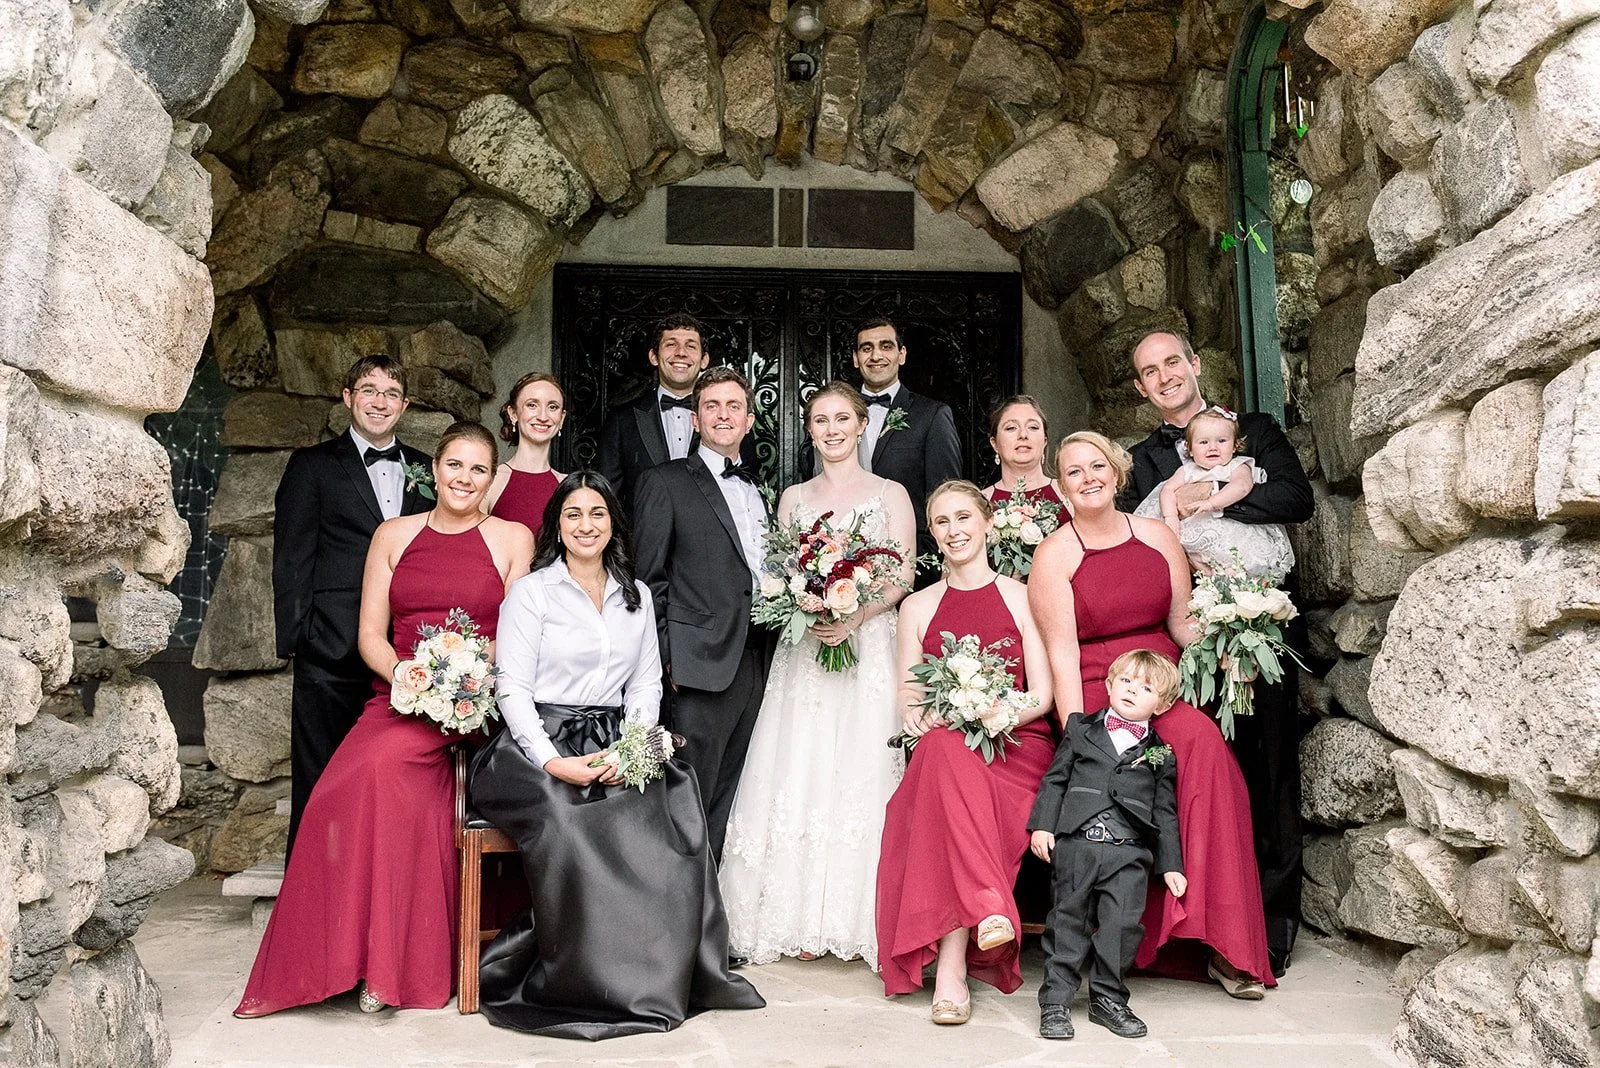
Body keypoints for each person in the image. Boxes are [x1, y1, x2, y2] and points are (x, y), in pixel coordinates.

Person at [237, 422, 533, 1016]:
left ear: (491, 477)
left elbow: (517, 632)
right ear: (435, 469)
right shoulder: (393, 534)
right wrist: (407, 677)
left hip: (476, 701)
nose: (464, 479)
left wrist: (464, 677)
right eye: (454, 465)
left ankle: (395, 969)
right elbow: (369, 633)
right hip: (400, 698)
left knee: (388, 773)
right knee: (339, 791)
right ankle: (347, 960)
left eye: (478, 469)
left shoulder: (512, 537)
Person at [468, 472, 765, 1038]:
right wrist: (553, 761)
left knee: (673, 804)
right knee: (572, 819)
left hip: (614, 736)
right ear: (558, 523)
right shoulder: (533, 593)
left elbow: (646, 685)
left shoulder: (638, 595)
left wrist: (631, 750)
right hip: (533, 745)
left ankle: (664, 972)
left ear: (613, 524)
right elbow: (511, 689)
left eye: (597, 514)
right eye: (574, 514)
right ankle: (581, 982)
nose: (586, 525)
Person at [1029, 431, 1274, 1000]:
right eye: (1073, 471)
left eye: (1097, 465)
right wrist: (1079, 737)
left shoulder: (1160, 537)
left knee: (1205, 748)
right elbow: (1061, 653)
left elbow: (1182, 627)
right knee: (1121, 769)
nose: (1088, 477)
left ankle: (1222, 943)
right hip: (1095, 691)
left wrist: (1235, 636)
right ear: (1061, 487)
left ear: (1117, 472)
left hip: (1160, 686)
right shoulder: (1055, 554)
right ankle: (1123, 941)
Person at [1119, 330, 1313, 975]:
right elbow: (1138, 537)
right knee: (1206, 778)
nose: (1165, 376)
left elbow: (1295, 499)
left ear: (1196, 365)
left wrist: (1213, 495)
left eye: (1173, 361)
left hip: (1261, 622)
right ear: (1143, 388)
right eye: (1150, 371)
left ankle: (1271, 931)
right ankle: (1208, 925)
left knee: (1271, 769)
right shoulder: (1143, 461)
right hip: (1191, 630)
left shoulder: (1254, 431)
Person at [720, 381, 915, 969]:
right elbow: (780, 571)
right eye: (819, 421)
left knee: (858, 770)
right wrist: (812, 606)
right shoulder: (793, 498)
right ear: (809, 431)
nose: (831, 430)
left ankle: (859, 917)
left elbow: (901, 575)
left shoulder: (892, 494)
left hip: (869, 647)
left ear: (862, 426)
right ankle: (800, 917)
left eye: (841, 419)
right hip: (807, 650)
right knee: (800, 768)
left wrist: (854, 612)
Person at [876, 480, 1054, 1023]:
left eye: (963, 518)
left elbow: (1042, 695)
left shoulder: (1023, 596)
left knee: (943, 767)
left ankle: (954, 967)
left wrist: (992, 713)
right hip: (949, 746)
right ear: (932, 534)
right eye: (942, 523)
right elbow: (909, 693)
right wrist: (914, 714)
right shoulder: (916, 606)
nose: (954, 531)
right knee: (940, 751)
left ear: (985, 522)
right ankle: (987, 912)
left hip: (1017, 744)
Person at [272, 355, 434, 859]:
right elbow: (292, 558)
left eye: (390, 393)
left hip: (409, 650)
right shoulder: (313, 466)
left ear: (404, 406)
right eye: (369, 390)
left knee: (392, 777)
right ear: (348, 397)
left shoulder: (427, 470)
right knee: (321, 775)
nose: (379, 401)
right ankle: (309, 882)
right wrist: (303, 639)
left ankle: (375, 875)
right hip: (332, 645)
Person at [632, 366, 772, 863]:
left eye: (733, 406)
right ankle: (677, 932)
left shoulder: (759, 490)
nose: (723, 415)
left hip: (759, 661)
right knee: (686, 806)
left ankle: (711, 930)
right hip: (696, 668)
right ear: (694, 419)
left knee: (732, 802)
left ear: (750, 419)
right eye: (711, 406)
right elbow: (648, 580)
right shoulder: (664, 482)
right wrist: (668, 662)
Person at [1028, 649, 1186, 1041]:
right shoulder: (1081, 729)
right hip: (1078, 846)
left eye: (1147, 687)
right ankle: (1056, 1003)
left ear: (1162, 704)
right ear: (1110, 684)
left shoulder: (1160, 754)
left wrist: (1172, 865)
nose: (1133, 690)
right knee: (1067, 924)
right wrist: (1043, 826)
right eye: (1127, 681)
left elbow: (1164, 812)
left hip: (1128, 853)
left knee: (1120, 927)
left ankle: (1107, 999)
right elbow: (1055, 781)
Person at [802, 318, 962, 586]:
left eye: (886, 346)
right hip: (833, 571)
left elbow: (945, 495)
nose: (876, 355)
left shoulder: (932, 415)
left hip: (911, 568)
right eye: (866, 348)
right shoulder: (831, 419)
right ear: (855, 358)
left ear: (901, 355)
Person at [597, 312, 756, 516]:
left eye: (691, 345)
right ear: (654, 356)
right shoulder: (621, 421)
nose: (681, 352)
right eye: (671, 344)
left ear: (704, 359)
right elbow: (608, 498)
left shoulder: (733, 422)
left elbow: (746, 485)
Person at [1137, 404, 1295, 582]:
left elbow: (1242, 486)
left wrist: (1212, 502)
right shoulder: (1187, 470)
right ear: (1189, 449)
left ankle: (1237, 578)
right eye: (1203, 442)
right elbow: (1168, 490)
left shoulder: (1237, 465)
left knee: (1239, 556)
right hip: (1194, 535)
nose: (1213, 447)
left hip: (1233, 530)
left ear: (1235, 445)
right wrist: (1170, 517)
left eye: (1221, 441)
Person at [484, 372, 564, 538]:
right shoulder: (491, 481)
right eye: (532, 405)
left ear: (561, 418)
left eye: (553, 407)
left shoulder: (568, 485)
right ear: (513, 414)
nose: (543, 416)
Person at [983, 395, 1064, 510]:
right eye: (1011, 428)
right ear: (994, 443)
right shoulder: (980, 504)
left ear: (1045, 441)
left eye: (1033, 427)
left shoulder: (1070, 495)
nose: (1023, 435)